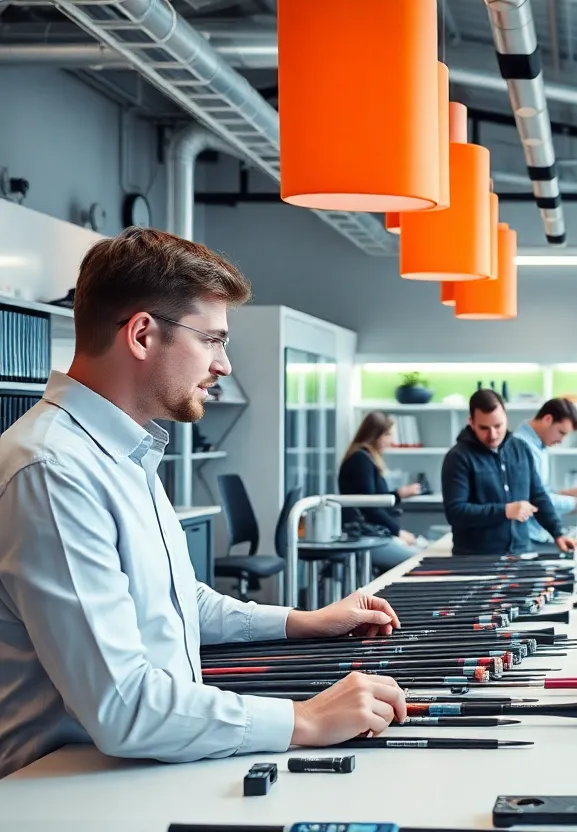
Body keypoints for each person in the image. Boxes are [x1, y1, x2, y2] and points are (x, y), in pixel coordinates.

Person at [0, 228, 410, 781]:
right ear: (143, 334)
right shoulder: (54, 470)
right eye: (213, 340)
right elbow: (125, 708)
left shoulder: (125, 451)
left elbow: (174, 601)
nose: (225, 366)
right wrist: (305, 720)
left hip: (136, 769)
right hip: (66, 792)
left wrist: (302, 622)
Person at [442, 389, 577, 556]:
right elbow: (456, 513)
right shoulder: (458, 457)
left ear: (506, 418)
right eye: (484, 428)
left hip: (521, 553)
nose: (492, 435)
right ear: (471, 422)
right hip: (477, 557)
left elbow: (538, 495)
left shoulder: (521, 449)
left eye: (498, 426)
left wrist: (558, 533)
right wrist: (505, 511)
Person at [338, 411, 426, 570]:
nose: (391, 441)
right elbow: (370, 507)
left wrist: (399, 494)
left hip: (372, 534)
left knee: (420, 552)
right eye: (388, 435)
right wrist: (397, 531)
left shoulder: (363, 458)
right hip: (366, 537)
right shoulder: (361, 460)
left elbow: (373, 498)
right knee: (417, 562)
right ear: (375, 435)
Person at [513, 398, 577, 546]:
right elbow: (533, 498)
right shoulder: (521, 447)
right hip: (528, 538)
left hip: (539, 533)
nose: (561, 440)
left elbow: (541, 492)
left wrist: (570, 493)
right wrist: (575, 504)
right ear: (547, 419)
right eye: (561, 433)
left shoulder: (539, 446)